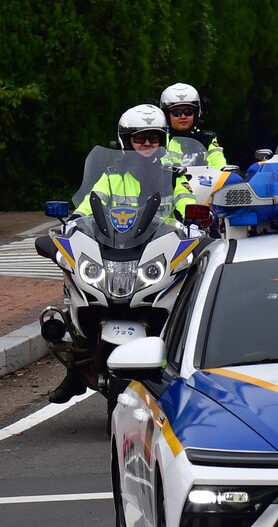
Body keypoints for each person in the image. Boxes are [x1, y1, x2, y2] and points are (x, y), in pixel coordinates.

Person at [49, 106, 193, 404]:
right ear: (126, 141)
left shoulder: (173, 175)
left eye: (153, 137)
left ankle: (186, 358)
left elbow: (186, 201)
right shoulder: (112, 176)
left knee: (190, 288)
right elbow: (91, 201)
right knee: (77, 287)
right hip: (116, 247)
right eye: (140, 138)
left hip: (158, 249)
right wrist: (73, 221)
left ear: (163, 140)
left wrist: (195, 219)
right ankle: (76, 370)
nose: (147, 144)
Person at [159, 83, 228, 166]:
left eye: (188, 112)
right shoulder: (161, 139)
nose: (183, 116)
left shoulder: (206, 138)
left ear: (196, 114)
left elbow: (218, 161)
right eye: (176, 113)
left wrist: (225, 171)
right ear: (166, 115)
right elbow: (162, 164)